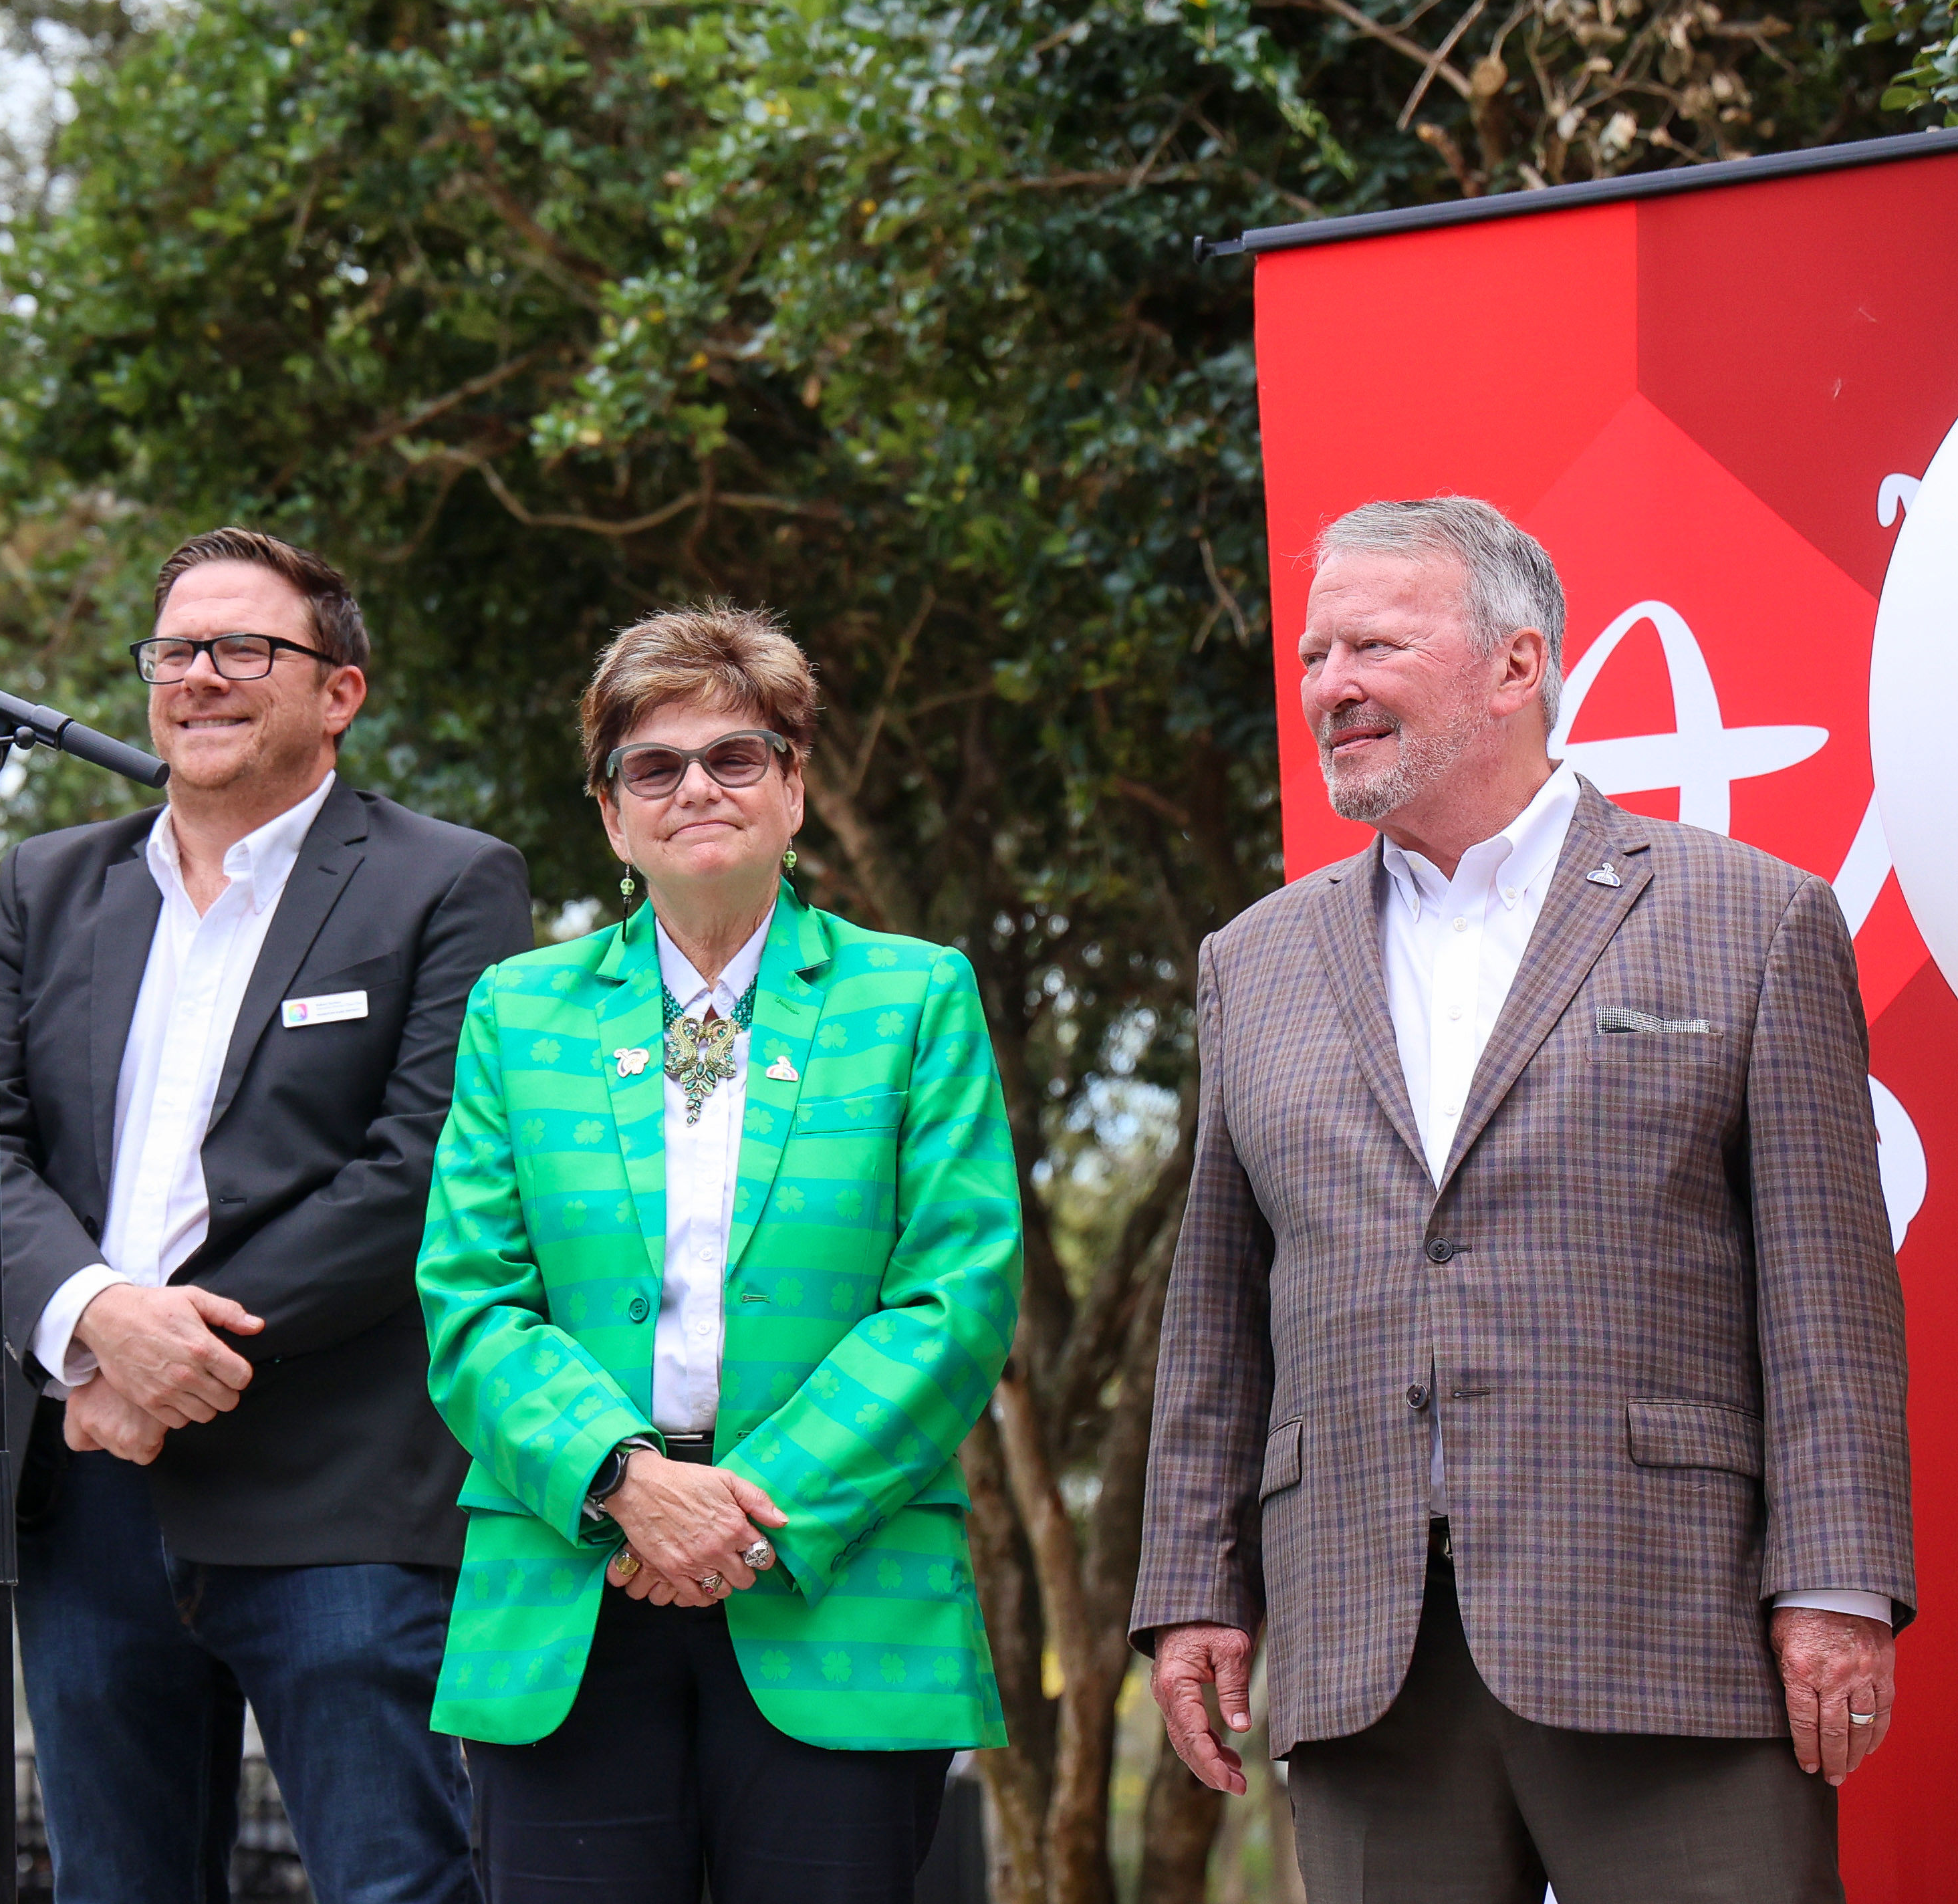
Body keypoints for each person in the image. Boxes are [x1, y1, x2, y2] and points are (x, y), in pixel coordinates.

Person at [1135, 497, 1914, 1903]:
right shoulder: (1251, 962)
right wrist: (1192, 1586)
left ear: (1517, 665)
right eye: (1314, 656)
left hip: (1671, 1628)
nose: (1332, 686)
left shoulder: (1753, 916)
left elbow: (1829, 1299)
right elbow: (1217, 1315)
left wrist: (1841, 1588)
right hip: (1364, 1643)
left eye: (1375, 643)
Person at [0, 528, 531, 1904]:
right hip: (80, 1492)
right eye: (177, 651)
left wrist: (177, 1359)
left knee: (396, 1887)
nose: (201, 677)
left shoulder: (446, 882)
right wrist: (96, 1327)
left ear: (341, 692)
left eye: (246, 648)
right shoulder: (43, 884)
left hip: (336, 1498)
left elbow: (421, 1169)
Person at [416, 604, 1019, 1904]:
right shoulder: (518, 1013)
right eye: (654, 765)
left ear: (795, 789)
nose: (697, 786)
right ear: (612, 818)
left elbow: (955, 1300)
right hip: (574, 1567)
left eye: (737, 756)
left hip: (829, 1575)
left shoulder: (916, 999)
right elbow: (471, 1302)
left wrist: (741, 1516)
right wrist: (627, 1479)